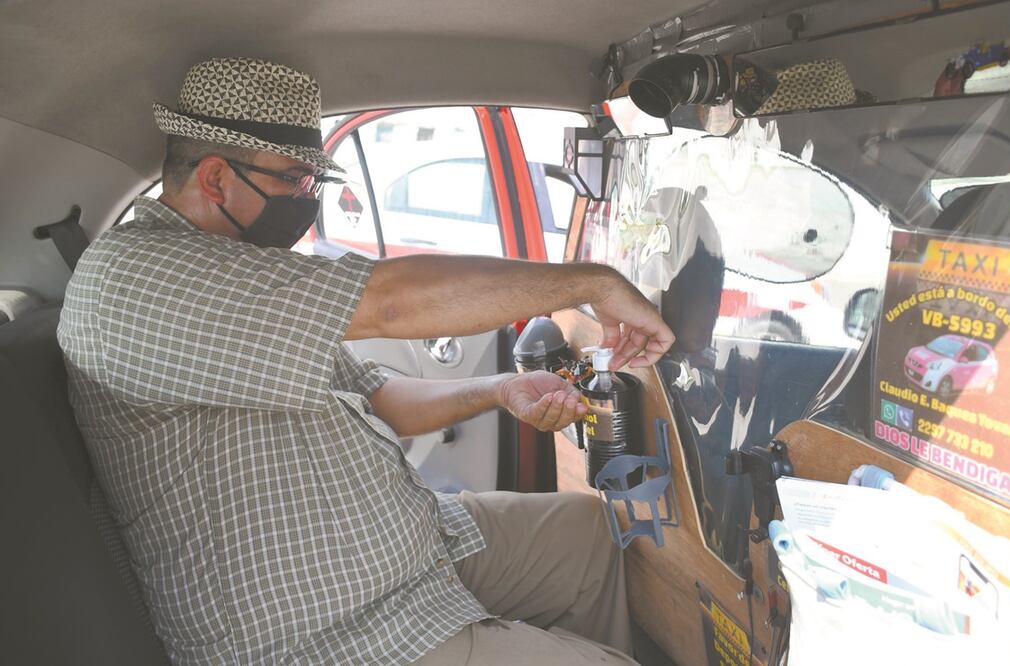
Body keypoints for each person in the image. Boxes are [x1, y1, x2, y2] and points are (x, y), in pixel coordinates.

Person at [57, 57, 673, 665]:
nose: (307, 202)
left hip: (407, 559)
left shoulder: (240, 275)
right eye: (296, 180)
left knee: (587, 532)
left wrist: (498, 390)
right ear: (216, 178)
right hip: (326, 636)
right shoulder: (134, 278)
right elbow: (391, 303)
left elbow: (381, 398)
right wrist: (590, 283)